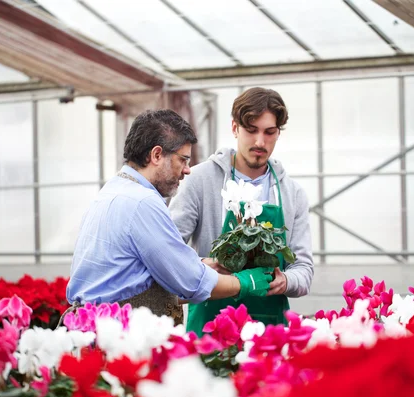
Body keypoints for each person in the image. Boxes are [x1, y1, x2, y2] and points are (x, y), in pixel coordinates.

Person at [66, 109, 274, 325]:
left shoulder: (113, 191)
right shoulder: (142, 202)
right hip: (120, 336)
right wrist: (245, 282)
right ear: (156, 155)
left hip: (94, 329)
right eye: (183, 160)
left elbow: (142, 271)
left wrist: (202, 264)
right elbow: (190, 282)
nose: (187, 170)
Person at [169, 87, 314, 335]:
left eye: (269, 132)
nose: (260, 142)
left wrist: (286, 281)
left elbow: (304, 269)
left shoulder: (293, 193)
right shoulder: (201, 180)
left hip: (269, 329)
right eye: (251, 130)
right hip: (211, 324)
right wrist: (205, 265)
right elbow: (168, 252)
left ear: (278, 133)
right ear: (235, 128)